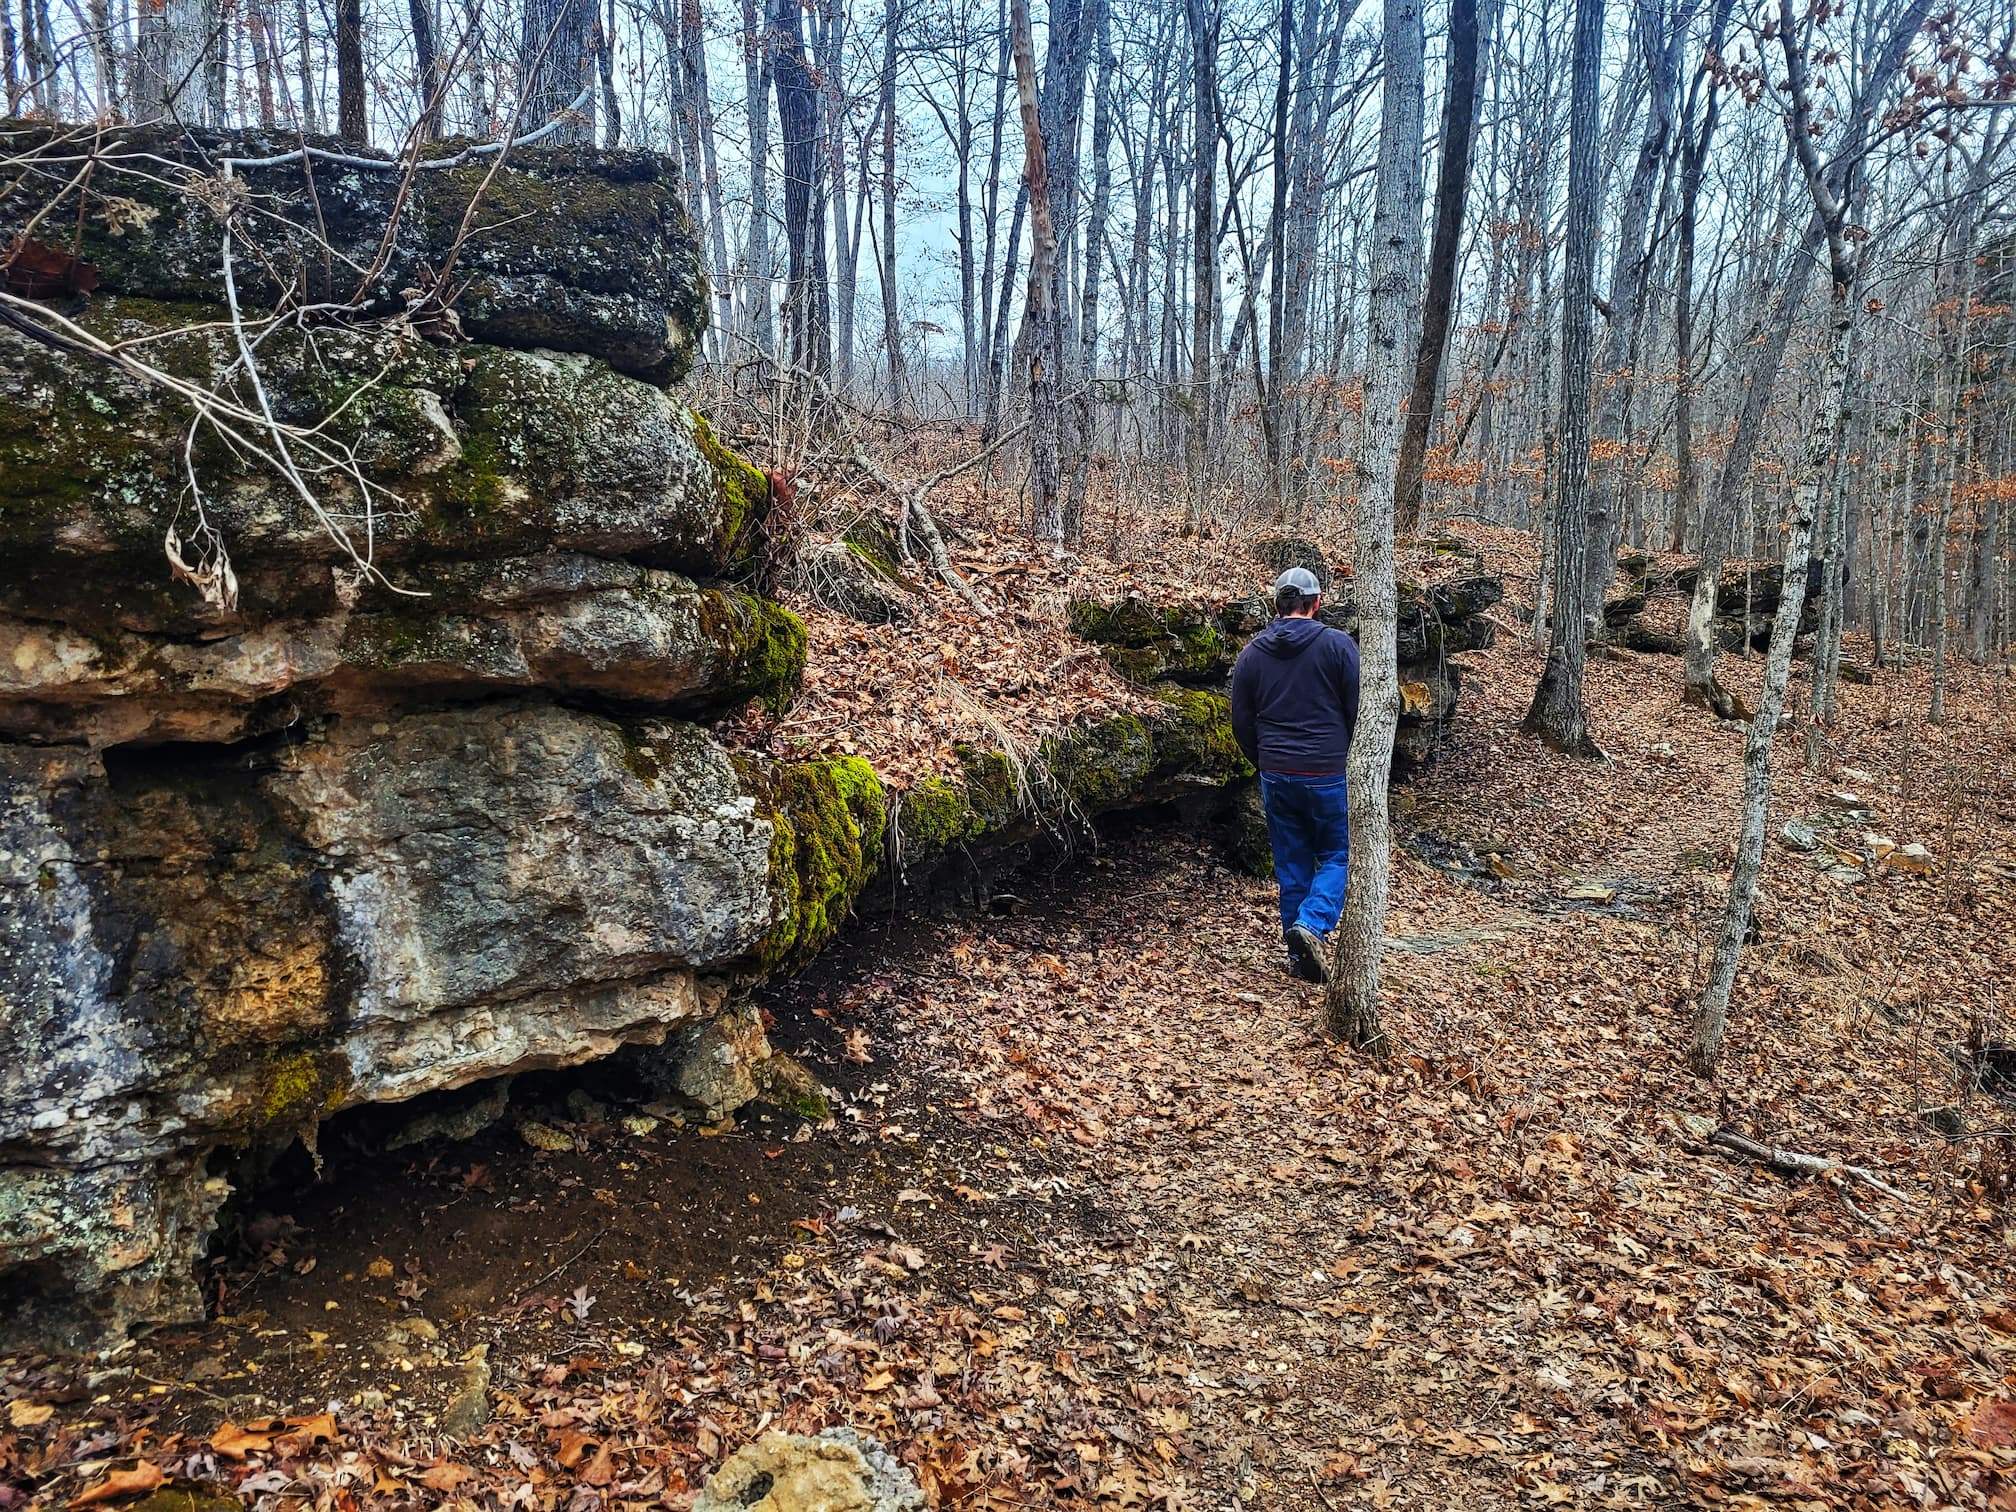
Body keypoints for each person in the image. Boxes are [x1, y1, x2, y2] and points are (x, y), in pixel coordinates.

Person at [1229, 566, 1361, 983]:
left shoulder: (1252, 654)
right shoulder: (1339, 646)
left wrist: (1264, 759)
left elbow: (1240, 722)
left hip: (1277, 773)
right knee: (1340, 856)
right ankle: (1312, 925)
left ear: (1277, 604)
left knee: (1292, 864)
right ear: (1317, 603)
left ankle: (1300, 958)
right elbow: (1357, 710)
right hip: (1326, 772)